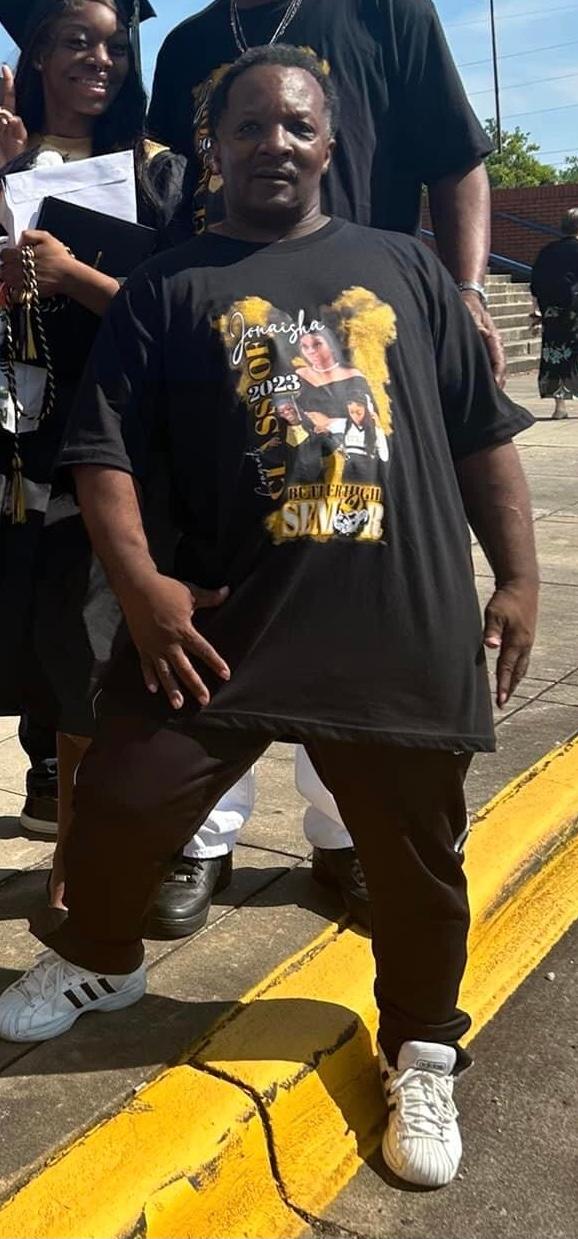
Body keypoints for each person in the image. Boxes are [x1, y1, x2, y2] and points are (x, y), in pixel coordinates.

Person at [0, 48, 539, 1189]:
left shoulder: (403, 266)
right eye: (248, 127)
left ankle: (421, 1046)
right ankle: (103, 959)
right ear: (214, 148)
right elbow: (101, 454)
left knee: (416, 863)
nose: (273, 145)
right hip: (220, 625)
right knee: (120, 800)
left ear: (329, 144)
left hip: (393, 626)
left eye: (296, 126)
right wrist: (142, 588)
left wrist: (517, 578)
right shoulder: (167, 284)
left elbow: (480, 434)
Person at [143, 0, 506, 938]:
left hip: (352, 334)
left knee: (355, 590)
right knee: (216, 580)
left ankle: (348, 836)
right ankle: (200, 835)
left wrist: (465, 290)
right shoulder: (186, 44)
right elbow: (164, 185)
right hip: (224, 338)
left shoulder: (386, 14)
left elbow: (455, 157)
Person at [0, 0, 185, 906]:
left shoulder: (159, 174)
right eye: (77, 39)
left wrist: (71, 277)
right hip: (10, 452)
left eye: (115, 44)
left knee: (89, 666)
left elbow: (183, 321)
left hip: (103, 451)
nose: (100, 58)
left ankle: (79, 880)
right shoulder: (4, 155)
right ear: (38, 53)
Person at [530, 207, 578, 420]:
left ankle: (560, 407)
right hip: (575, 310)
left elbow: (535, 284)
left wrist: (536, 310)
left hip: (553, 313)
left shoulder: (547, 251)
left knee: (555, 355)